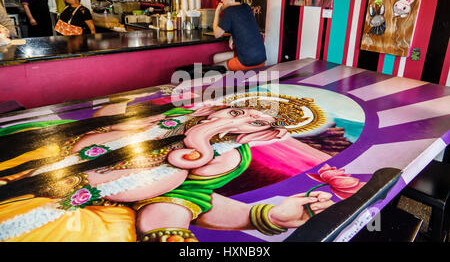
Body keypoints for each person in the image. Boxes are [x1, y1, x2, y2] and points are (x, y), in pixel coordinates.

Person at [0, 92, 339, 242]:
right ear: (219, 109)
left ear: (264, 133)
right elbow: (106, 124)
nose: (238, 121)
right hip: (32, 157)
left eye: (256, 123)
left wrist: (262, 216)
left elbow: (184, 199)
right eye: (237, 111)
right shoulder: (178, 116)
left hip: (75, 209)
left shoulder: (226, 154)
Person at [212, 0, 266, 71]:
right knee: (216, 58)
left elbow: (217, 34)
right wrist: (232, 35)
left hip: (247, 61)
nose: (221, 0)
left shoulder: (229, 12)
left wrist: (217, 12)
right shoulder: (247, 7)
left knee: (215, 68)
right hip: (261, 59)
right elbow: (244, 25)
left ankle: (229, 84)